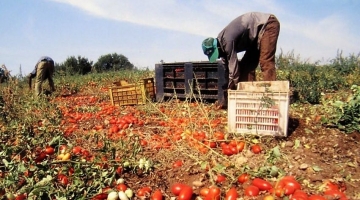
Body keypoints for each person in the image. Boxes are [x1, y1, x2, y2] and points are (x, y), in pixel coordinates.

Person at [202, 12, 280, 90]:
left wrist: (231, 87)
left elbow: (234, 69)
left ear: (217, 48)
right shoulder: (222, 44)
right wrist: (227, 83)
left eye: (216, 54)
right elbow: (227, 68)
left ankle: (271, 95)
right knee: (246, 67)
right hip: (254, 38)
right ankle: (249, 96)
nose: (218, 57)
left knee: (265, 60)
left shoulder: (227, 41)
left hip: (267, 24)